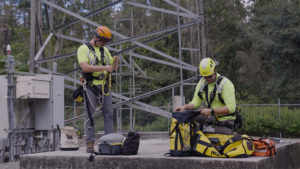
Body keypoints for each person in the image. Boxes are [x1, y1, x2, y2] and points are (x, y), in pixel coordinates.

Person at [77, 26, 120, 153]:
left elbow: (112, 68)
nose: (104, 44)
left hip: (104, 85)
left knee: (108, 113)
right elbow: (85, 67)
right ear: (96, 38)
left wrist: (115, 63)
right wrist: (104, 68)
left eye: (106, 42)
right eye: (103, 41)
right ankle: (89, 143)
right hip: (90, 85)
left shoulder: (105, 50)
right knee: (90, 114)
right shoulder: (83, 49)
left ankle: (110, 140)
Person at [174, 58, 238, 134]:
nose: (207, 79)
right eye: (205, 77)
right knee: (188, 113)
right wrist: (185, 107)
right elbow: (195, 103)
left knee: (220, 142)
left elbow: (231, 108)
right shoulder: (202, 83)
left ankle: (228, 132)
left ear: (215, 71)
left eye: (210, 76)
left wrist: (212, 111)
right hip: (210, 115)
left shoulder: (225, 84)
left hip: (225, 118)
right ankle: (193, 135)